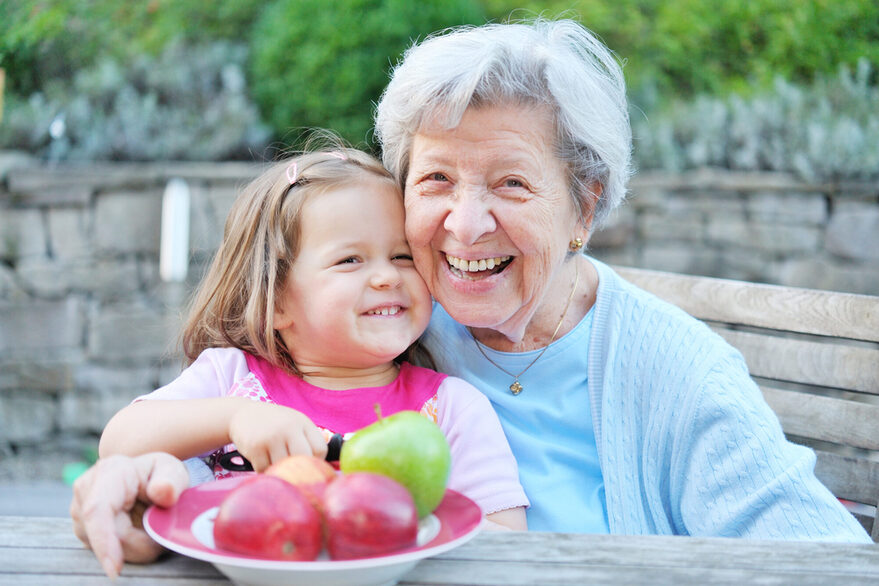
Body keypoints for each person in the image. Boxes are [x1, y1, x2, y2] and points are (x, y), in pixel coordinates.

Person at [72, 18, 870, 573]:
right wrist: (126, 486)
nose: (465, 222)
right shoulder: (382, 332)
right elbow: (208, 454)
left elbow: (821, 559)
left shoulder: (678, 373)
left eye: (512, 183)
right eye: (436, 180)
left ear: (583, 206)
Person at [82, 148, 528, 577]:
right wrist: (237, 416)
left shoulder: (450, 408)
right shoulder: (231, 378)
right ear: (276, 301)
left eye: (402, 256)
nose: (386, 275)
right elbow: (119, 441)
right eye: (349, 259)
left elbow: (507, 543)